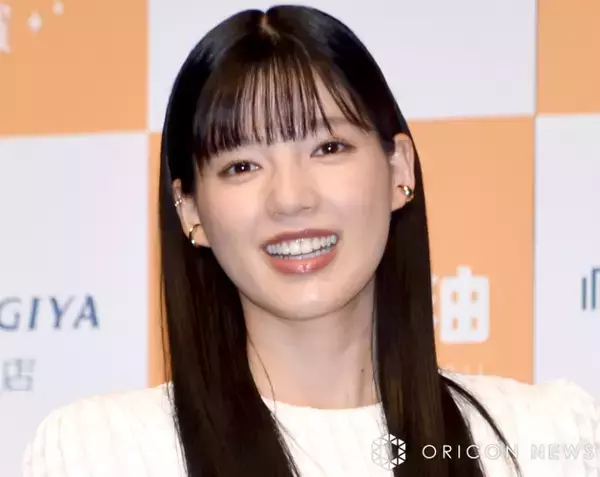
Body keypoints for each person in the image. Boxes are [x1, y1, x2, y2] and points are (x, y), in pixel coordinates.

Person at [22, 5, 599, 477]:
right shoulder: (101, 453)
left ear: (399, 168)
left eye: (328, 148)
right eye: (241, 166)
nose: (290, 198)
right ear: (190, 210)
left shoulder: (543, 439)